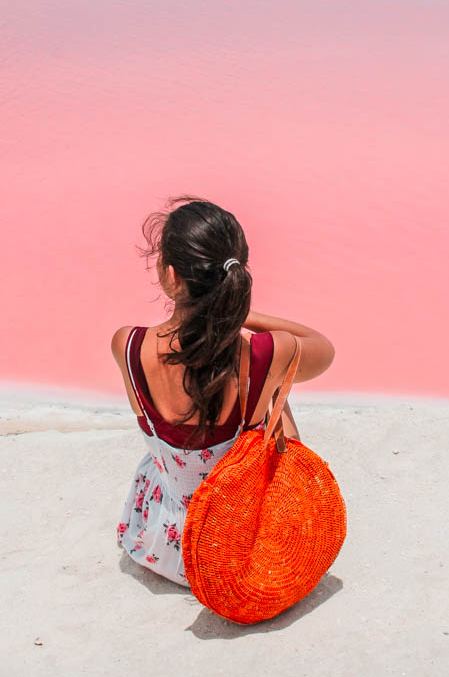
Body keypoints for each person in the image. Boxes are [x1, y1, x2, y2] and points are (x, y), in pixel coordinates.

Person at [110, 195, 335, 586]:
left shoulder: (128, 346)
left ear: (171, 275)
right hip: (238, 544)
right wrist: (239, 315)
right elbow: (322, 347)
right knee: (274, 389)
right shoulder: (265, 354)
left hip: (169, 547)